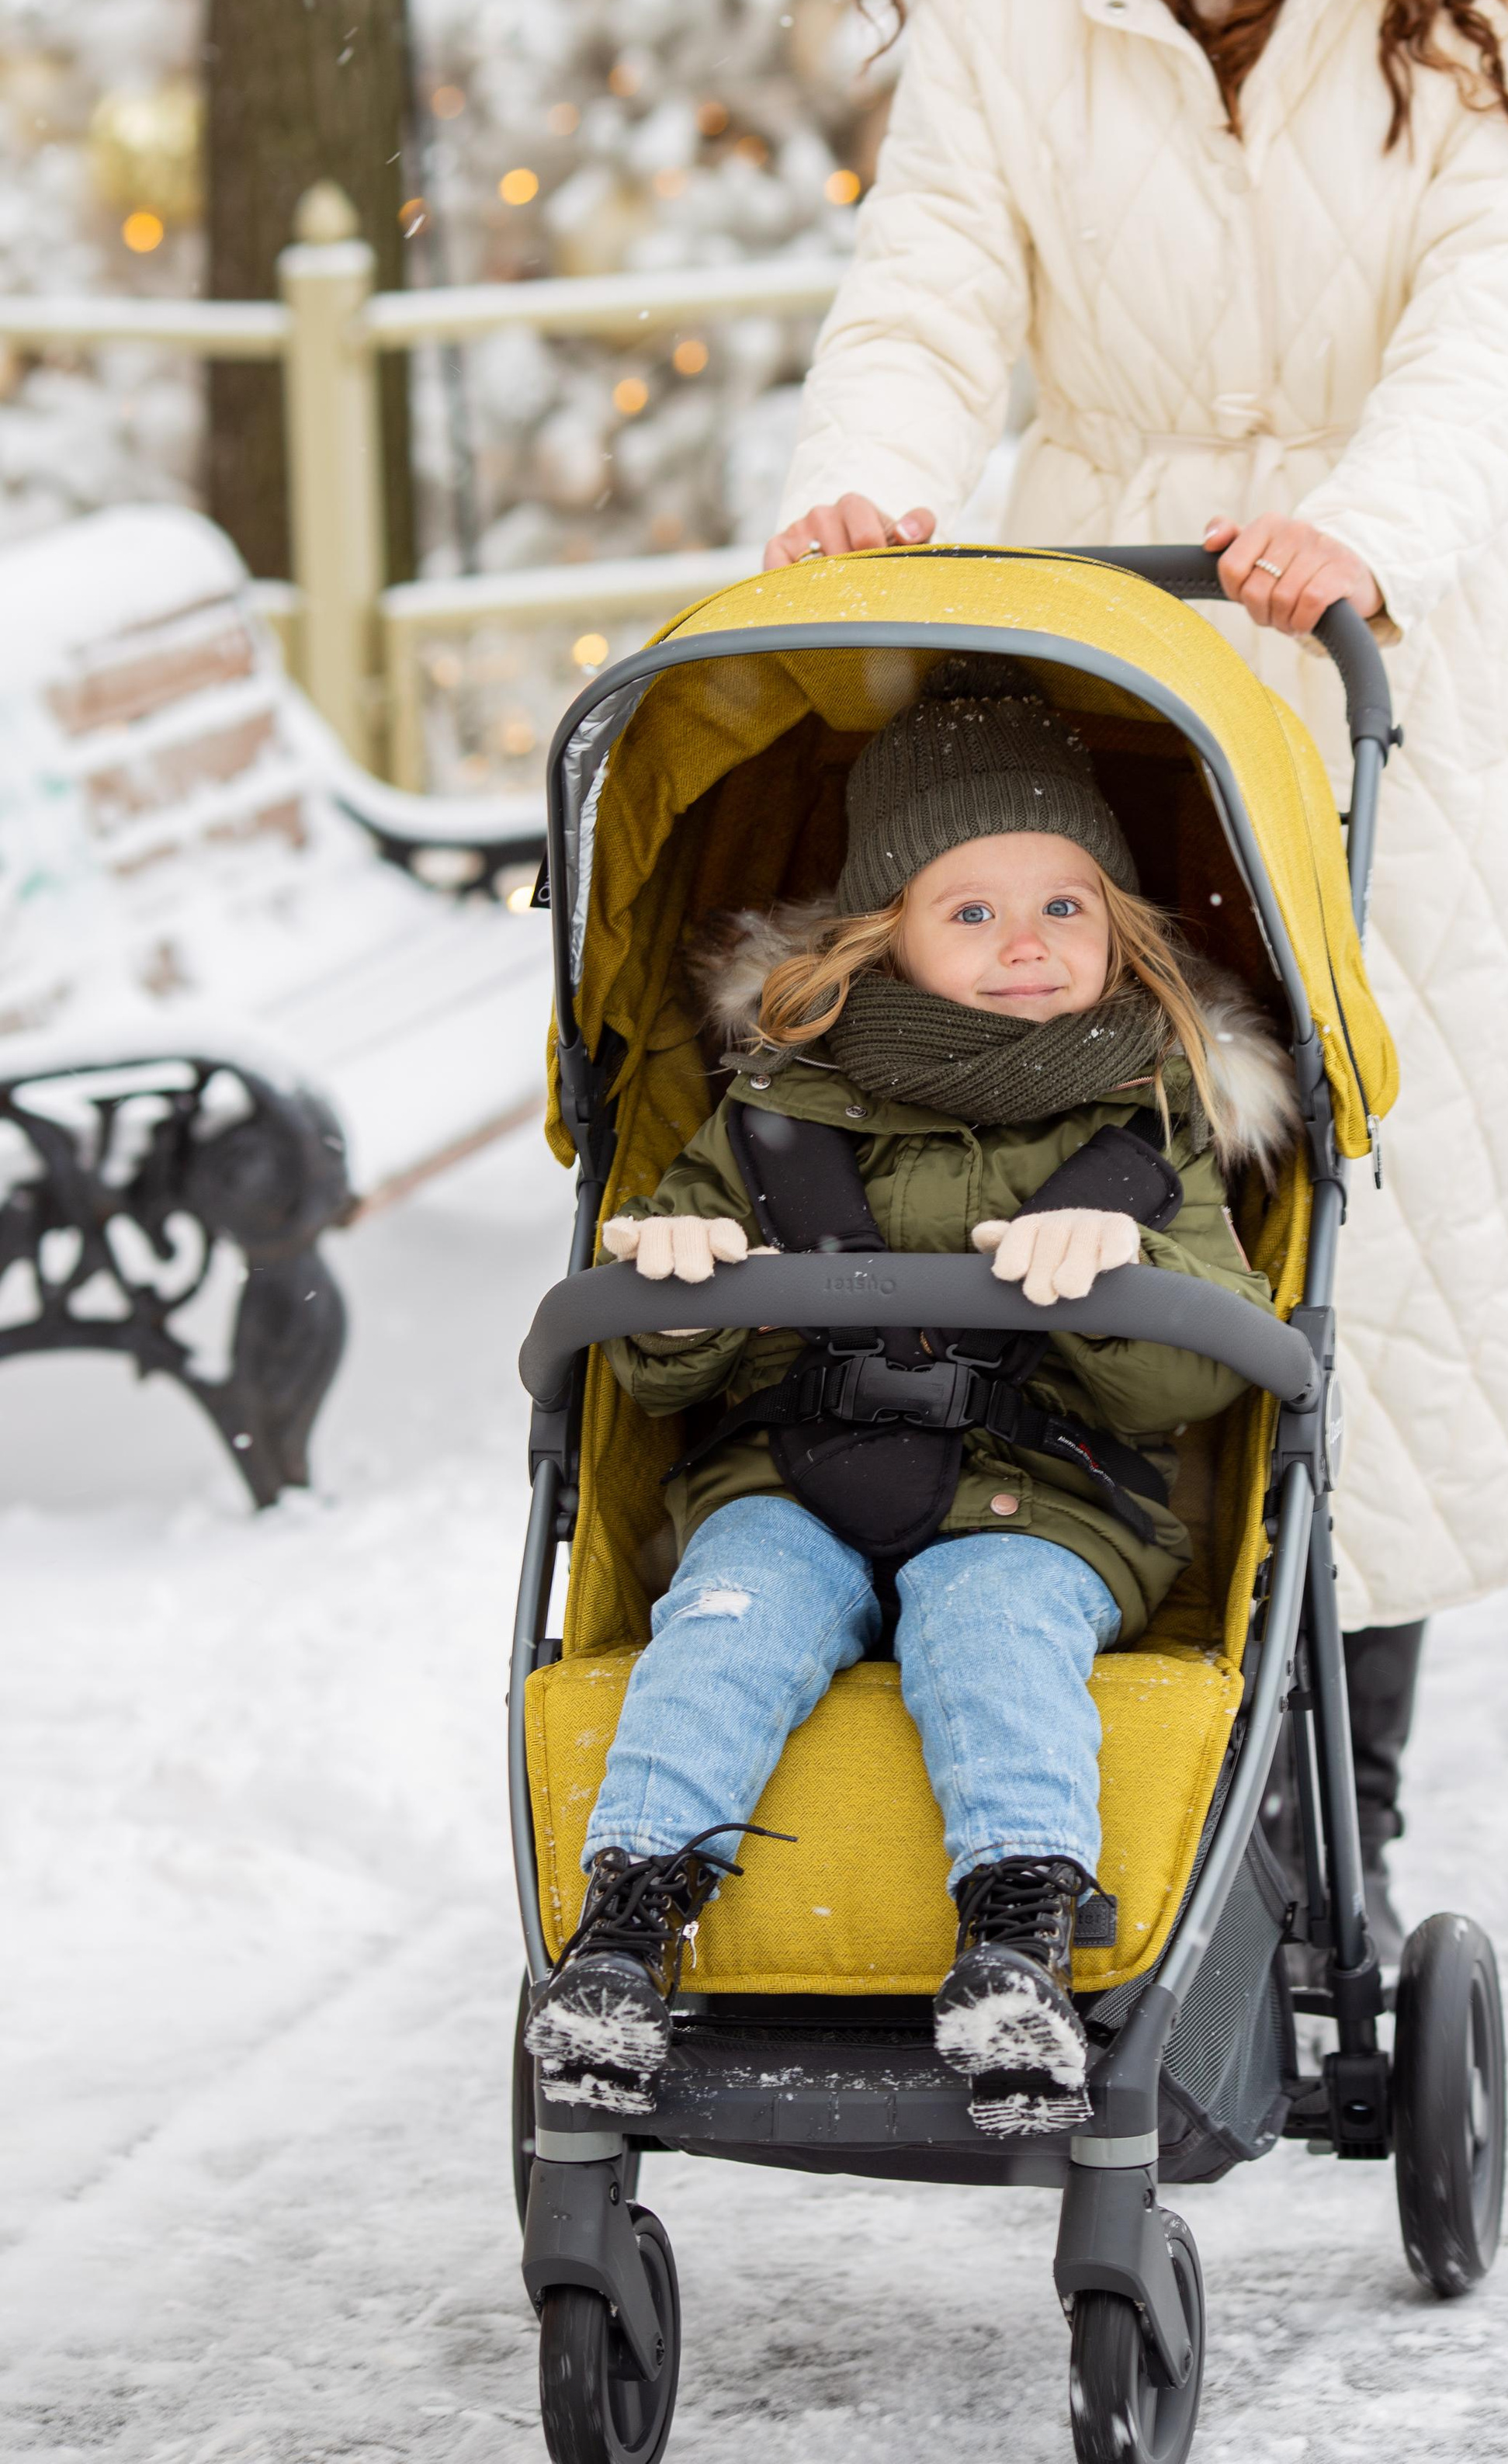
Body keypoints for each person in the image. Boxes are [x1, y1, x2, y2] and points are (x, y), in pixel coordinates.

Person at [763, 0, 1508, 1955]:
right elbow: (933, 267)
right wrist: (869, 478)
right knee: (1070, 1153)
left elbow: (1501, 296)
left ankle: (1343, 1826)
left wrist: (1370, 517)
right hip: (1099, 635)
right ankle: (1084, 1750)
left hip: (1378, 642)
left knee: (1373, 1205)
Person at [527, 663, 1298, 2131]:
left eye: (1065, 906)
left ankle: (1016, 1939)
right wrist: (681, 1280)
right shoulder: (776, 1107)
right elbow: (659, 1373)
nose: (1027, 942)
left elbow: (1204, 1381)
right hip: (791, 1475)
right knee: (728, 1613)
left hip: (1049, 1497)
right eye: (974, 910)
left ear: (1120, 928)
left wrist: (1126, 1271)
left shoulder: (1151, 1118)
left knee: (992, 1618)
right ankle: (625, 1933)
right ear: (884, 935)